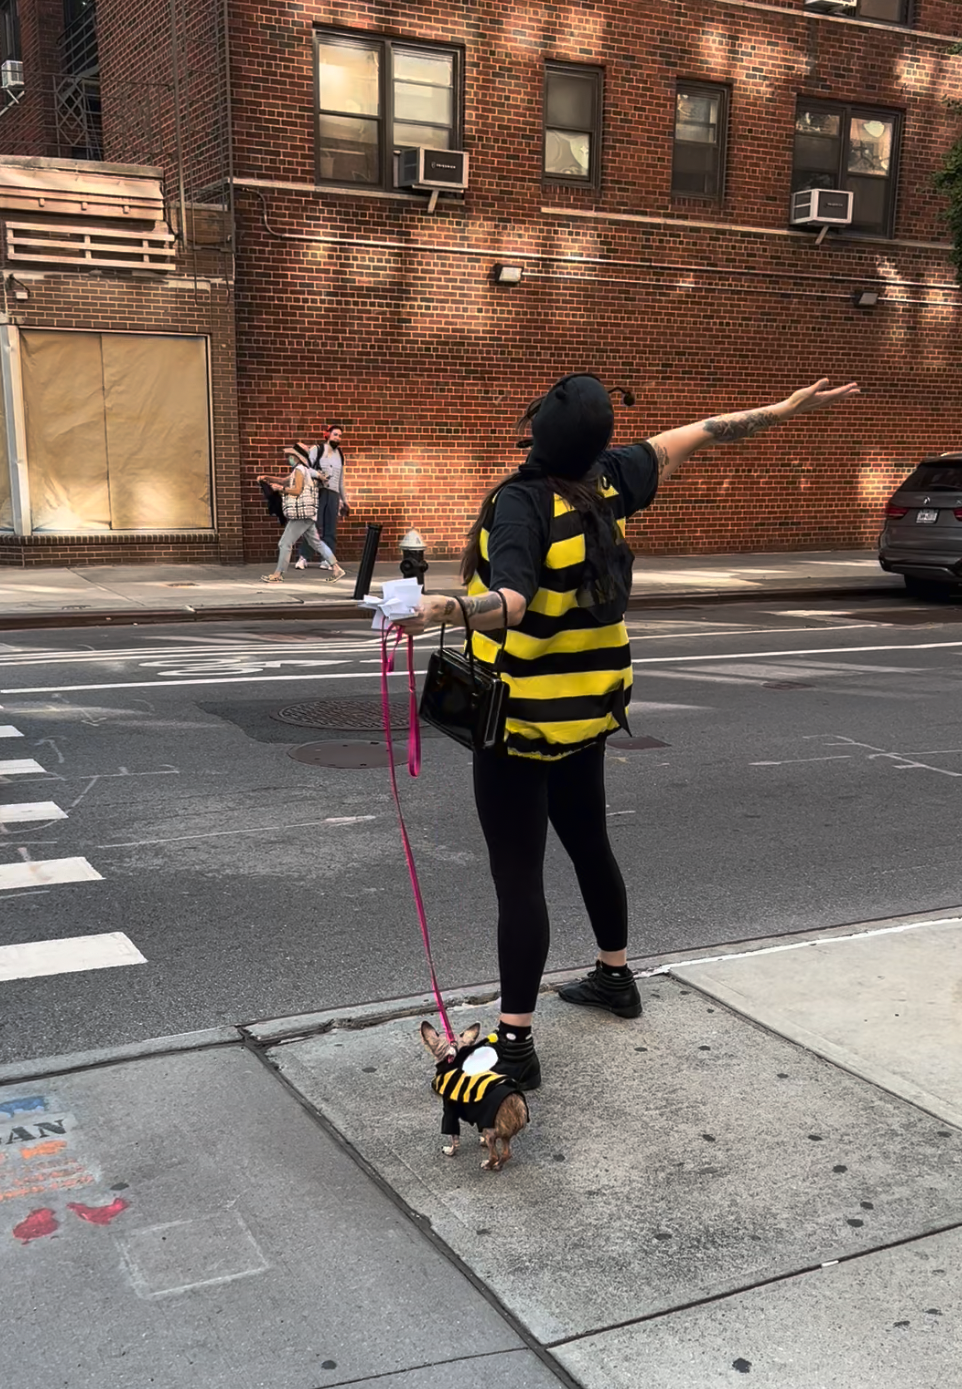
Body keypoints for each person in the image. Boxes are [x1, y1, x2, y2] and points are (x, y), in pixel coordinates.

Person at [399, 372, 859, 1091]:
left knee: (518, 878)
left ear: (536, 430)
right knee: (589, 844)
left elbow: (512, 601)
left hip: (519, 723)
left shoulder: (523, 503)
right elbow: (705, 432)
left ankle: (515, 1043)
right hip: (587, 712)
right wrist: (779, 407)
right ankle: (616, 976)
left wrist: (442, 610)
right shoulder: (610, 482)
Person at [260, 446, 345, 583]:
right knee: (316, 543)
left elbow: (297, 490)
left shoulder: (299, 470)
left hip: (301, 515)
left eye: (291, 456)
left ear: (297, 457)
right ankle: (336, 568)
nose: (289, 458)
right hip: (307, 513)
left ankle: (278, 574)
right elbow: (283, 480)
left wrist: (281, 490)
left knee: (285, 543)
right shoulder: (301, 470)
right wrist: (267, 478)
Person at [315, 423, 351, 564]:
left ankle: (327, 558)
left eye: (340, 436)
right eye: (335, 434)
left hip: (334, 493)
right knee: (314, 525)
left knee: (330, 528)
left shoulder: (340, 455)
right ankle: (304, 556)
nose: (338, 438)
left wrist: (345, 500)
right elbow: (308, 469)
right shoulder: (318, 450)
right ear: (328, 434)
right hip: (319, 491)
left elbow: (341, 479)